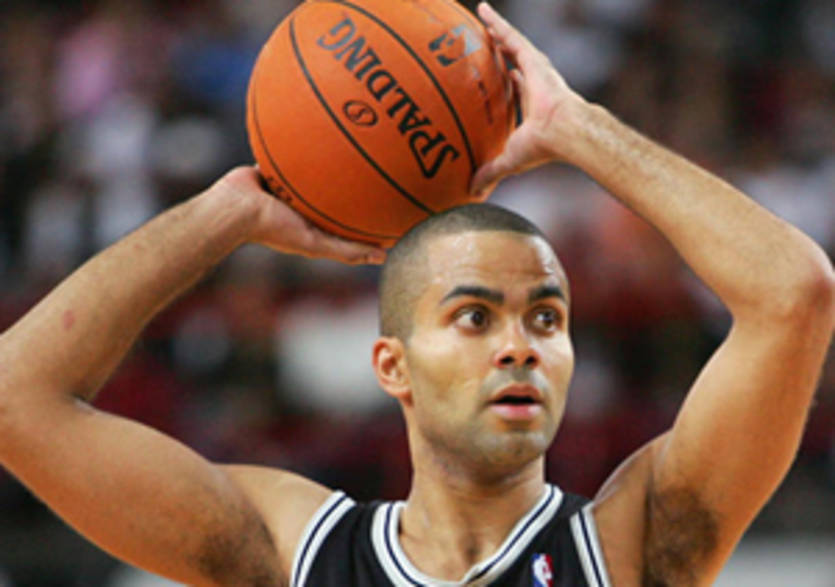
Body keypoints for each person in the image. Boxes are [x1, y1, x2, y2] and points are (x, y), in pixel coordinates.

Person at [1, 3, 833, 585]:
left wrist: (580, 129)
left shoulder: (630, 549)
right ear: (391, 365)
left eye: (546, 317)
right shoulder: (295, 555)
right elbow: (13, 398)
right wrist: (226, 213)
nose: (519, 345)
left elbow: (792, 293)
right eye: (474, 315)